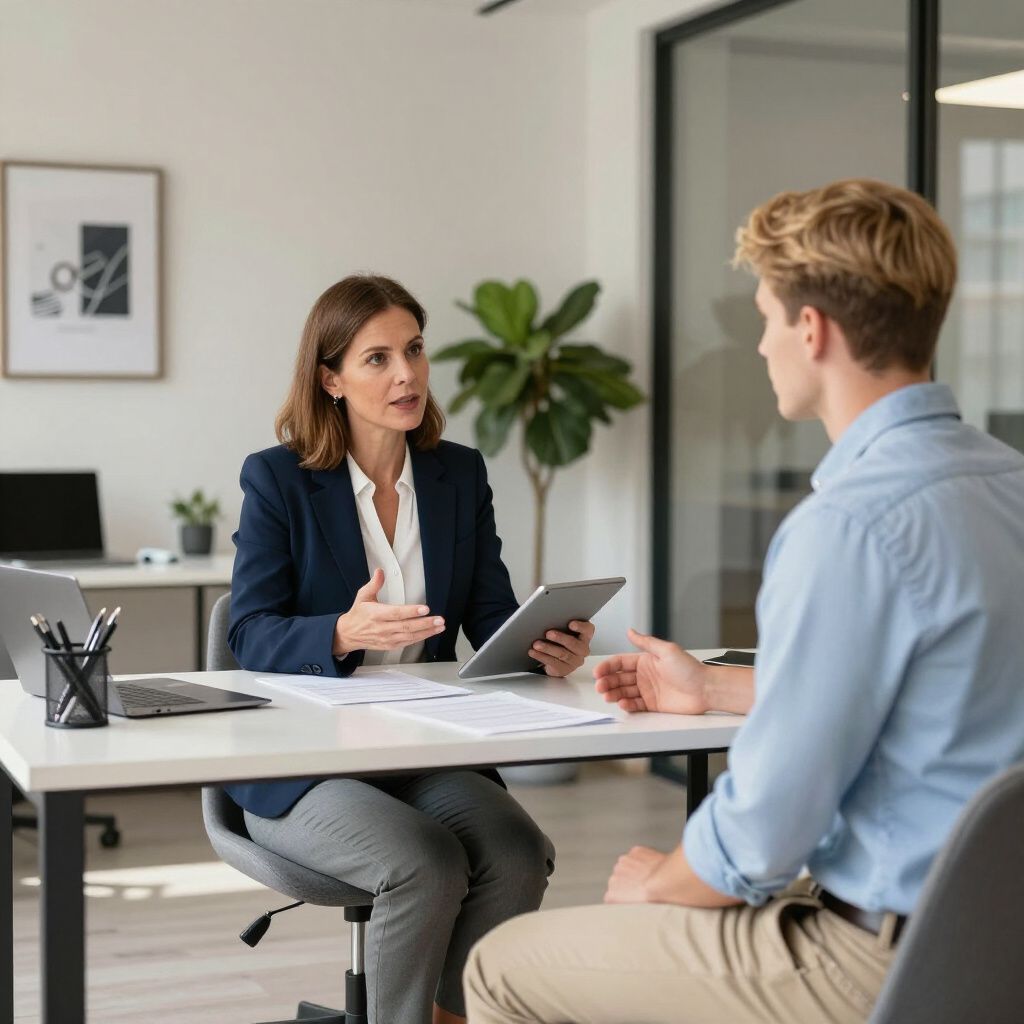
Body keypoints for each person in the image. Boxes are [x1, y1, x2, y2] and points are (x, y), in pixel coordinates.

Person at [463, 179, 1024, 1024]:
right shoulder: (1010, 486)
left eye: (766, 319)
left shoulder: (847, 526)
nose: (761, 346)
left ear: (812, 329)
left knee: (503, 965)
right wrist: (717, 691)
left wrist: (662, 882)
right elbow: (938, 699)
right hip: (997, 940)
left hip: (883, 962)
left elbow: (761, 836)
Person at [224, 274, 596, 1024]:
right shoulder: (279, 480)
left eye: (416, 350)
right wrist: (338, 632)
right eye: (378, 358)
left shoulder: (458, 474)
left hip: (425, 743)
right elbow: (247, 633)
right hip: (304, 759)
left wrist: (545, 645)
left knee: (517, 851)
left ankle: (453, 1016)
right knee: (422, 862)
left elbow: (491, 618)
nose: (406, 375)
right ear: (330, 379)